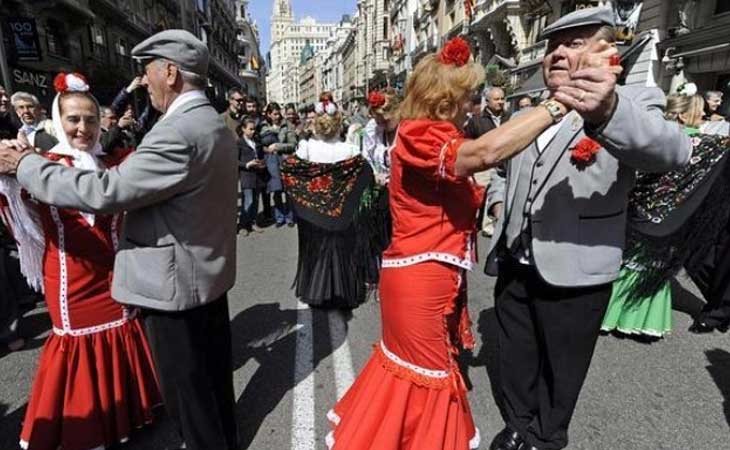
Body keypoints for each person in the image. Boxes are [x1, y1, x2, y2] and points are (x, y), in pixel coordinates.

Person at [325, 35, 584, 450]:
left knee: (419, 378)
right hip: (418, 279)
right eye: (470, 96)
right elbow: (483, 156)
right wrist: (557, 105)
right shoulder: (417, 134)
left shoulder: (439, 134)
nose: (476, 105)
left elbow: (483, 162)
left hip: (436, 278)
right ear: (447, 100)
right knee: (426, 379)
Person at [0, 30, 239, 450]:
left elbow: (106, 192)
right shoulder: (212, 123)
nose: (144, 82)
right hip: (205, 278)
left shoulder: (177, 131)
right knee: (213, 381)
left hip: (176, 288)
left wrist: (25, 165)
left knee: (190, 395)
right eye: (73, 120)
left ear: (169, 71)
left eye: (147, 72)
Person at [483, 7, 692, 450]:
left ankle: (546, 436)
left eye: (574, 43)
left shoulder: (631, 101)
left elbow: (673, 151)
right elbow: (502, 167)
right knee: (515, 356)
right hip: (516, 261)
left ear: (605, 51)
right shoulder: (528, 108)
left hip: (577, 270)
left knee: (562, 367)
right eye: (552, 46)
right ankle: (519, 425)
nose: (557, 53)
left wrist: (609, 110)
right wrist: (500, 201)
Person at [0, 72, 161, 450]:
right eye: (73, 119)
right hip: (69, 279)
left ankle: (126, 415)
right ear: (59, 121)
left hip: (114, 276)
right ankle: (86, 426)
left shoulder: (114, 162)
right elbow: (14, 208)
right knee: (78, 346)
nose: (83, 127)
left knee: (123, 334)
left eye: (90, 119)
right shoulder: (38, 165)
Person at [601, 93, 717, 339]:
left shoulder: (658, 138)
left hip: (645, 211)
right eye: (699, 111)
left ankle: (611, 314)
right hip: (670, 216)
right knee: (650, 266)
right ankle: (634, 319)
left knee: (635, 262)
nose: (704, 115)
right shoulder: (701, 143)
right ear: (684, 115)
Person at [282, 96, 369, 308]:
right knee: (342, 251)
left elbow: (290, 171)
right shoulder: (350, 150)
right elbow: (366, 174)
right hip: (342, 212)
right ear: (339, 123)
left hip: (313, 213)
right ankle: (342, 291)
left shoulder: (306, 148)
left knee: (317, 250)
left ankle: (318, 290)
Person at [260, 102, 297, 227]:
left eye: (278, 113)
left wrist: (278, 146)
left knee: (288, 191)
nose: (277, 116)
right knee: (276, 191)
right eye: (274, 114)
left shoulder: (287, 125)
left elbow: (293, 144)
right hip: (271, 163)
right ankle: (279, 217)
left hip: (286, 161)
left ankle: (290, 217)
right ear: (269, 115)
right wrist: (267, 149)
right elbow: (260, 146)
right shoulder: (263, 127)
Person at [237, 117, 266, 235]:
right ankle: (243, 225)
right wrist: (247, 164)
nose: (253, 131)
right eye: (250, 129)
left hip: (257, 175)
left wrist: (261, 163)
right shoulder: (239, 143)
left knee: (255, 201)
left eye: (254, 129)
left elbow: (261, 156)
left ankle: (253, 222)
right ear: (243, 129)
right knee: (248, 201)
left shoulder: (256, 142)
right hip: (246, 176)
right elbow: (234, 161)